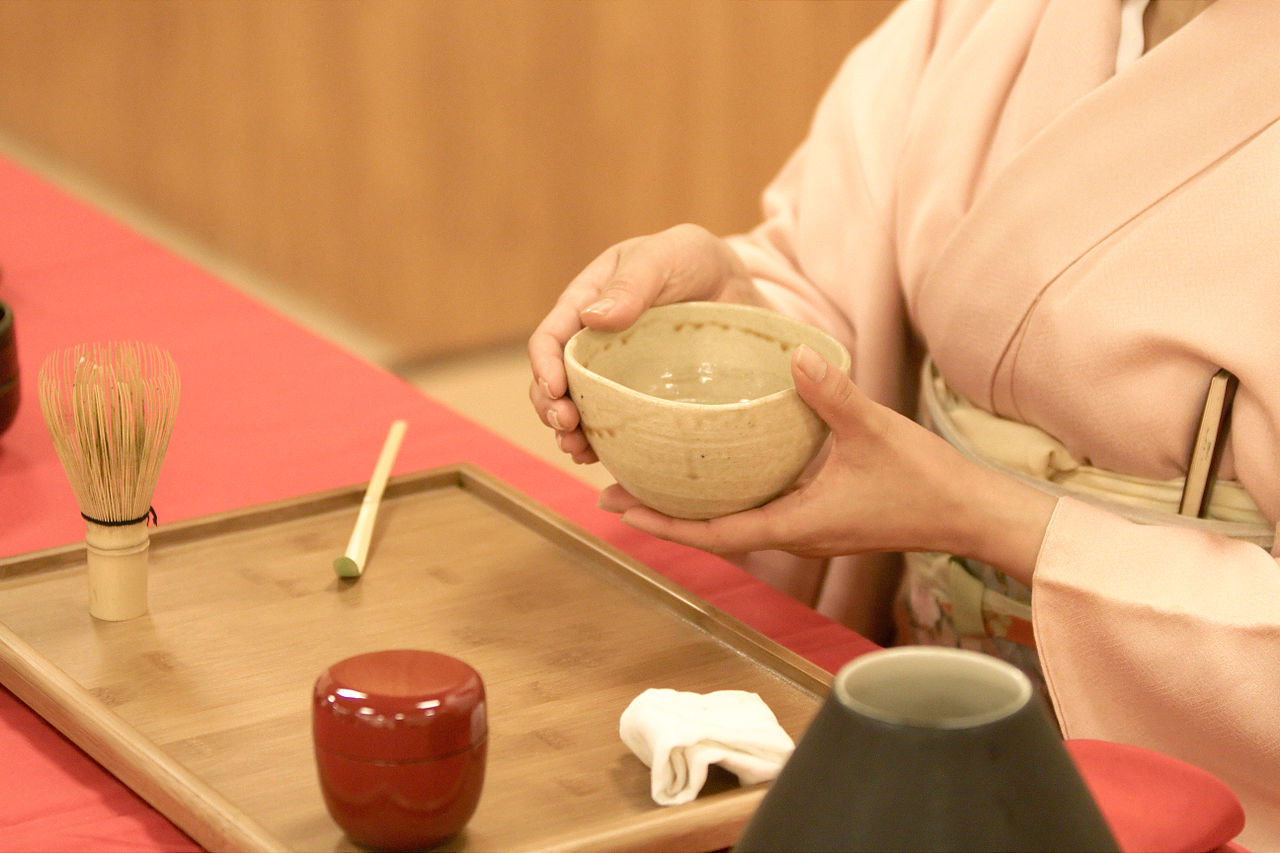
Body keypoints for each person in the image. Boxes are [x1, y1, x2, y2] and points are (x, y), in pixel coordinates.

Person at [528, 0, 1279, 845]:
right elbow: (837, 275)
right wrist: (743, 316)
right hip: (894, 721)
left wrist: (981, 512)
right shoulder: (986, 18)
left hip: (1181, 790)